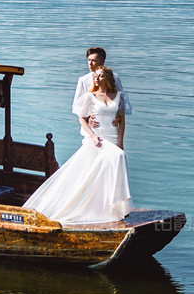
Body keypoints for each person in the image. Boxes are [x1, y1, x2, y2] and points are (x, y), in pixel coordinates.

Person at [25, 66, 131, 225]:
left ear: (108, 79)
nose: (97, 79)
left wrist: (120, 142)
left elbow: (122, 120)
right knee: (118, 156)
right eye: (96, 76)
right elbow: (81, 118)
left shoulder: (118, 96)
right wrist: (93, 136)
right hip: (98, 137)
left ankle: (111, 207)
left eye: (100, 76)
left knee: (108, 168)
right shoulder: (90, 96)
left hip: (113, 136)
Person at [72, 47, 130, 137]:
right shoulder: (83, 80)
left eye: (93, 60)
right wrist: (88, 119)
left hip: (111, 128)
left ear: (102, 62)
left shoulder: (115, 78)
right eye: (88, 60)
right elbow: (77, 105)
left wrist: (118, 116)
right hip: (91, 129)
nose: (90, 63)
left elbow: (120, 101)